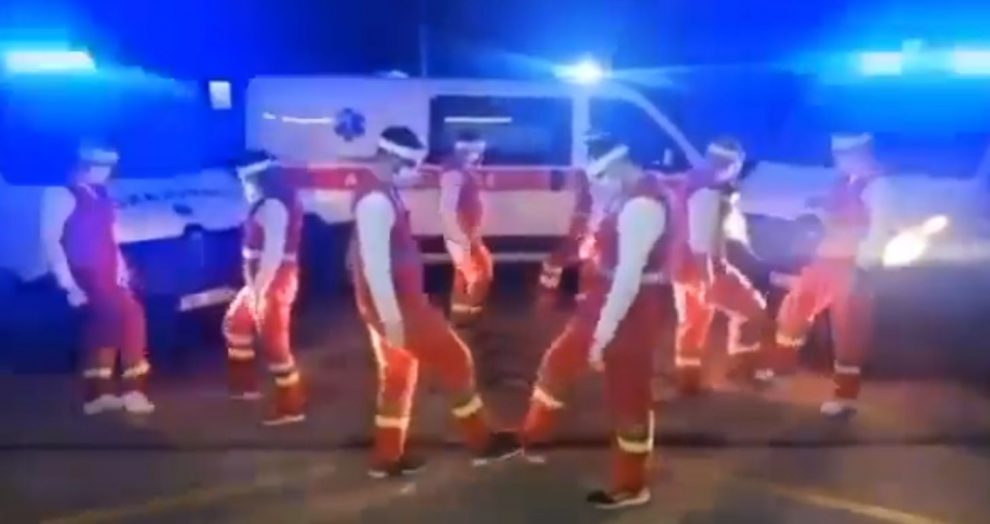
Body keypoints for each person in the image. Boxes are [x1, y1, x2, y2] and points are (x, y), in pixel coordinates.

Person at [351, 126, 521, 478]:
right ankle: (481, 443)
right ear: (392, 159)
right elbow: (375, 266)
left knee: (397, 378)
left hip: (392, 304)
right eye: (412, 166)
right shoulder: (376, 201)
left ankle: (386, 457)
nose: (416, 173)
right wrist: (393, 321)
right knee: (456, 359)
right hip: (399, 307)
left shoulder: (381, 192)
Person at [522, 133, 676, 510]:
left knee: (629, 396)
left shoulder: (644, 205)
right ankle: (533, 437)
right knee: (557, 364)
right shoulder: (628, 194)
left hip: (632, 309)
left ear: (620, 163)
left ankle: (631, 485)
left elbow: (628, 278)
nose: (600, 184)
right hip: (604, 300)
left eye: (602, 176)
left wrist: (603, 335)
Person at [41, 144, 155, 415]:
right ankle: (128, 392)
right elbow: (50, 240)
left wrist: (121, 269)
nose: (107, 172)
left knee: (108, 327)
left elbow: (110, 235)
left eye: (109, 167)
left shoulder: (101, 193)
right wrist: (68, 284)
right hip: (85, 273)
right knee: (126, 319)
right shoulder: (61, 194)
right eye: (101, 166)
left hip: (107, 272)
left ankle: (100, 395)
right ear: (84, 165)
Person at [774, 133, 880, 417]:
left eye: (844, 156)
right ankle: (782, 369)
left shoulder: (877, 187)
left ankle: (845, 398)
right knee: (795, 309)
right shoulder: (845, 182)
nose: (839, 161)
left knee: (848, 332)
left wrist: (864, 262)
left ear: (861, 154)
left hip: (853, 265)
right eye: (837, 156)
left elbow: (877, 229)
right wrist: (818, 207)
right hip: (826, 261)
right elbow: (834, 210)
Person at [670, 138, 774, 395]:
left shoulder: (690, 183)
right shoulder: (709, 192)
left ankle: (688, 381)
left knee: (692, 323)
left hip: (681, 266)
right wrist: (707, 281)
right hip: (705, 266)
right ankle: (741, 371)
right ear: (732, 165)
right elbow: (701, 241)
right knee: (753, 310)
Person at [222, 151, 306, 426]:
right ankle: (245, 385)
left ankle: (291, 405)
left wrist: (258, 290)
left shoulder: (272, 206)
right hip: (264, 280)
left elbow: (273, 253)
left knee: (274, 343)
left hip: (272, 282)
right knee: (236, 324)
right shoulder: (272, 201)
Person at [537, 133, 623, 306]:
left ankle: (550, 298)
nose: (590, 153)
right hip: (600, 230)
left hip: (594, 231)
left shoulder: (595, 175)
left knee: (560, 261)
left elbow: (586, 203)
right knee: (587, 268)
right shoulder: (609, 175)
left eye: (593, 150)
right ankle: (584, 302)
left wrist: (578, 230)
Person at [439, 130, 493, 325]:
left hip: (468, 235)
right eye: (478, 151)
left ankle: (465, 320)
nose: (481, 156)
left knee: (468, 277)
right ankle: (465, 322)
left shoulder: (463, 171)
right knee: (478, 276)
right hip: (462, 236)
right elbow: (447, 209)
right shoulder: (454, 173)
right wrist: (461, 241)